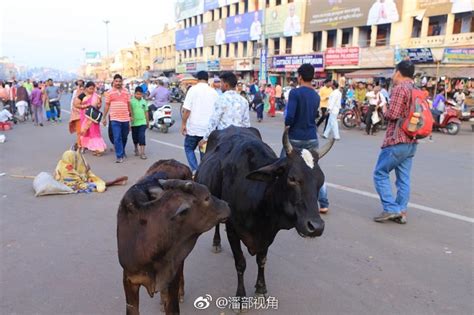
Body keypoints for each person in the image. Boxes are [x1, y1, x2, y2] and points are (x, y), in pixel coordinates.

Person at [373, 60, 418, 224]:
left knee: (380, 173)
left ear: (398, 72)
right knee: (403, 178)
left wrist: (383, 108)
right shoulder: (416, 89)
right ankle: (401, 211)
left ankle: (391, 209)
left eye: (393, 72)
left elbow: (392, 115)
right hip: (412, 141)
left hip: (397, 140)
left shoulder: (400, 89)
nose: (393, 75)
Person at [284, 64, 329, 213]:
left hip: (295, 137)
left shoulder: (295, 93)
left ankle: (278, 198)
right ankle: (323, 202)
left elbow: (290, 116)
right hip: (311, 136)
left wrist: (287, 125)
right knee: (314, 169)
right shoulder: (315, 95)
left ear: (300, 76)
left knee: (281, 165)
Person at [199, 72, 250, 148]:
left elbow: (214, 121)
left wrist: (205, 138)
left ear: (226, 85)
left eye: (221, 83)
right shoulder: (244, 101)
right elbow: (246, 124)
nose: (220, 86)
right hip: (239, 140)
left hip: (223, 140)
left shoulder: (221, 100)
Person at [181, 71, 218, 173]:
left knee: (189, 148)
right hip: (207, 130)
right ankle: (203, 172)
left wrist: (183, 124)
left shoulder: (192, 90)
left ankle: (194, 170)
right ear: (207, 79)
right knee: (204, 153)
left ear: (197, 79)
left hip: (193, 128)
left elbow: (187, 110)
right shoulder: (214, 92)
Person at [103, 74, 132, 163]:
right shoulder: (109, 92)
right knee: (117, 137)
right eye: (116, 81)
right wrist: (104, 117)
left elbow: (128, 104)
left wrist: (131, 115)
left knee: (124, 136)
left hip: (125, 118)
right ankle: (119, 155)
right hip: (114, 118)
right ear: (113, 82)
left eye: (120, 81)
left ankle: (122, 150)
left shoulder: (126, 92)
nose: (118, 83)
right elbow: (107, 105)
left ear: (122, 82)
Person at [77, 81, 107, 156]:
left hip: (93, 116)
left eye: (93, 89)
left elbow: (98, 106)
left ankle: (98, 148)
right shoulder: (82, 96)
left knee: (95, 132)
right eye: (90, 89)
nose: (92, 90)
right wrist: (85, 106)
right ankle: (84, 146)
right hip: (84, 116)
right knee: (85, 131)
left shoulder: (96, 96)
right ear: (86, 88)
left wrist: (99, 104)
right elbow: (76, 104)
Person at [130, 86, 149, 160]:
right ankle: (136, 148)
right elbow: (130, 112)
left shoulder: (144, 102)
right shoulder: (131, 101)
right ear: (134, 94)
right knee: (135, 137)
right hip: (134, 122)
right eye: (137, 94)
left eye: (140, 94)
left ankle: (142, 153)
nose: (139, 95)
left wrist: (147, 121)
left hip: (142, 122)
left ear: (142, 94)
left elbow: (146, 112)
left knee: (142, 136)